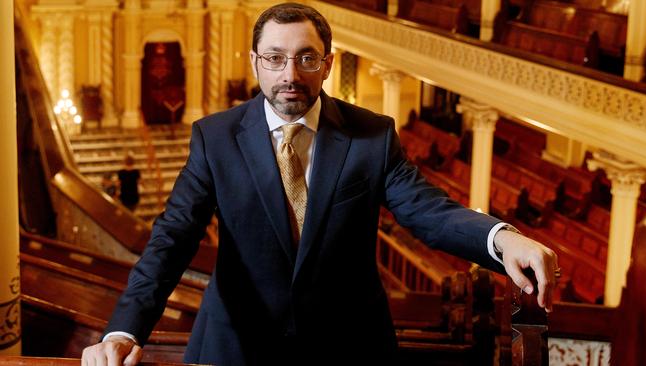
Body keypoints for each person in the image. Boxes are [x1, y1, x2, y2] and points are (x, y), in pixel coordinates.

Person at [82, 3, 558, 365]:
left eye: (306, 58)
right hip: (235, 344)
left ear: (328, 64)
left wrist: (502, 239)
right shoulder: (215, 137)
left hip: (349, 344)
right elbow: (172, 238)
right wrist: (123, 331)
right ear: (255, 62)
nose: (290, 75)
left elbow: (427, 211)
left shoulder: (372, 135)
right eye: (275, 58)